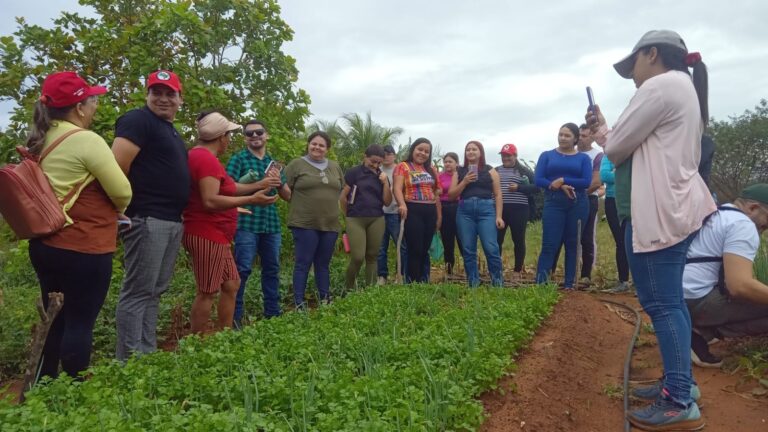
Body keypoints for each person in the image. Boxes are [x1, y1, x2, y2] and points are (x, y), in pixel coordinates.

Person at [589, 30, 716, 430]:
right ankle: (681, 383)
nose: (634, 76)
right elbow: (624, 142)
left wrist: (608, 135)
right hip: (670, 206)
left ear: (653, 54)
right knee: (669, 302)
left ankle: (678, 401)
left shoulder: (661, 85)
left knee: (662, 304)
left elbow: (616, 149)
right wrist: (606, 130)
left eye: (635, 65)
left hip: (661, 210)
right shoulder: (681, 87)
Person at [27, 71, 132, 380]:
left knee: (54, 316)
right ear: (79, 107)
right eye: (92, 99)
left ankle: (45, 383)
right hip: (84, 245)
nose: (95, 105)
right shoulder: (84, 139)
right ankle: (74, 391)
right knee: (79, 321)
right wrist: (120, 211)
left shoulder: (39, 138)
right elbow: (122, 191)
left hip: (44, 243)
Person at [112, 70, 190, 361]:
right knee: (138, 291)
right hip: (146, 218)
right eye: (156, 92)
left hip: (169, 220)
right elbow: (116, 166)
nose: (163, 98)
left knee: (155, 290)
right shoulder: (137, 120)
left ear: (180, 99)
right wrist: (121, 210)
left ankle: (147, 354)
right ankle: (130, 361)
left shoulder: (168, 130)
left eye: (170, 93)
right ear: (147, 95)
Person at [183, 112, 278, 333]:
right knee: (207, 291)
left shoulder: (206, 158)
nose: (229, 140)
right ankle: (197, 345)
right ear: (221, 137)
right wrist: (251, 199)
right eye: (229, 135)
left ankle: (224, 336)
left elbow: (230, 188)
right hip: (206, 231)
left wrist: (259, 185)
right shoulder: (204, 159)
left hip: (218, 233)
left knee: (231, 284)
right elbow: (210, 200)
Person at [683, 184, 768, 368]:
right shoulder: (743, 225)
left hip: (680, 297)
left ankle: (695, 334)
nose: (765, 228)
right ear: (753, 208)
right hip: (698, 300)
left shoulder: (718, 213)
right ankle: (699, 334)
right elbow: (739, 286)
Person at [226, 119, 290, 325]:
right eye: (250, 134)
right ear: (245, 138)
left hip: (270, 223)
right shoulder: (238, 159)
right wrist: (259, 184)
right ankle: (235, 320)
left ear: (266, 135)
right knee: (242, 269)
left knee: (272, 268)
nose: (255, 136)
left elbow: (288, 195)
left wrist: (279, 183)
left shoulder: (274, 163)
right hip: (246, 221)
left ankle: (273, 314)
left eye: (258, 132)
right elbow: (227, 188)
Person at [285, 131, 344, 307]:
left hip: (330, 223)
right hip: (304, 223)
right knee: (303, 263)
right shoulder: (296, 165)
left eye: (321, 145)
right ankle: (298, 302)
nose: (317, 147)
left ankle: (325, 299)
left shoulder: (334, 166)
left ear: (327, 149)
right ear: (308, 144)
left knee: (323, 263)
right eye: (314, 144)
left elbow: (341, 190)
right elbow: (284, 190)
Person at [534, 123, 592, 290]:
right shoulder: (547, 155)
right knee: (549, 243)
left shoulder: (583, 158)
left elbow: (586, 181)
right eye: (560, 134)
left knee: (573, 243)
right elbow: (538, 179)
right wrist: (558, 185)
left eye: (567, 135)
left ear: (575, 138)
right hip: (554, 202)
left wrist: (564, 180)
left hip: (578, 203)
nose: (562, 138)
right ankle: (541, 284)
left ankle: (570, 285)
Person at [448, 141, 504, 287]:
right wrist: (465, 181)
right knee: (468, 248)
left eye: (474, 149)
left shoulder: (490, 170)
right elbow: (451, 195)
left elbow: (498, 194)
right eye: (468, 150)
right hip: (465, 211)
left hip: (486, 210)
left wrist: (498, 216)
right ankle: (473, 282)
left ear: (481, 152)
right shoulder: (458, 171)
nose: (471, 152)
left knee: (491, 247)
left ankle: (497, 282)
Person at [340, 145, 392, 291]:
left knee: (372, 256)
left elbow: (387, 202)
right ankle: (348, 289)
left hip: (376, 218)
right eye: (373, 161)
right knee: (357, 257)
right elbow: (343, 197)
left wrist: (385, 183)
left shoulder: (381, 175)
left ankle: (369, 291)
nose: (375, 165)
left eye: (379, 163)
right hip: (355, 219)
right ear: (365, 157)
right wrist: (348, 216)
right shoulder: (353, 172)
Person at [393, 138, 441, 283]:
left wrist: (439, 216)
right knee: (415, 248)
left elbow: (437, 191)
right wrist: (402, 204)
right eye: (420, 149)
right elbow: (396, 188)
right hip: (412, 209)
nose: (423, 153)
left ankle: (423, 280)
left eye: (427, 151)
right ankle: (412, 282)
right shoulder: (403, 166)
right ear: (413, 149)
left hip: (430, 210)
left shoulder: (431, 169)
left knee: (425, 248)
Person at [496, 143, 537, 277]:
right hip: (500, 210)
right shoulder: (496, 170)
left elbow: (537, 188)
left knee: (518, 239)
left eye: (508, 156)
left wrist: (519, 188)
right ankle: (497, 268)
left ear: (515, 156)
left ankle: (517, 270)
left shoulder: (524, 171)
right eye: (503, 156)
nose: (505, 158)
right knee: (497, 240)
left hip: (519, 209)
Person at [576, 124, 603, 284]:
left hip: (588, 199)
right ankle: (571, 272)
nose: (580, 139)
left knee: (586, 237)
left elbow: (596, 182)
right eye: (579, 135)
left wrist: (578, 193)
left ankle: (586, 275)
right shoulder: (571, 153)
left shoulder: (597, 155)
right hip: (569, 200)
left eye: (584, 136)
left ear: (592, 137)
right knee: (572, 237)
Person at [599, 156, 630, 293]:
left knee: (635, 241)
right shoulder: (609, 156)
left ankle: (638, 282)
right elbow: (605, 176)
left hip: (634, 200)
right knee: (620, 241)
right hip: (612, 201)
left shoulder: (635, 153)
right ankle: (623, 281)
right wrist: (625, 173)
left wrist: (616, 172)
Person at [376, 145, 405, 285]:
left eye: (389, 154)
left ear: (394, 155)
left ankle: (400, 274)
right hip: (379, 213)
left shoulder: (400, 169)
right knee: (381, 247)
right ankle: (382, 276)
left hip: (395, 213)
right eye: (384, 154)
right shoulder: (377, 170)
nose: (386, 156)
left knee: (401, 245)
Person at [438, 152, 462, 276]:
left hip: (459, 208)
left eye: (450, 161)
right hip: (444, 208)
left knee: (463, 240)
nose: (447, 164)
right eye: (446, 161)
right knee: (448, 242)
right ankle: (449, 272)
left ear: (456, 163)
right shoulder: (439, 176)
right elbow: (436, 192)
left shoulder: (461, 175)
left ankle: (470, 270)